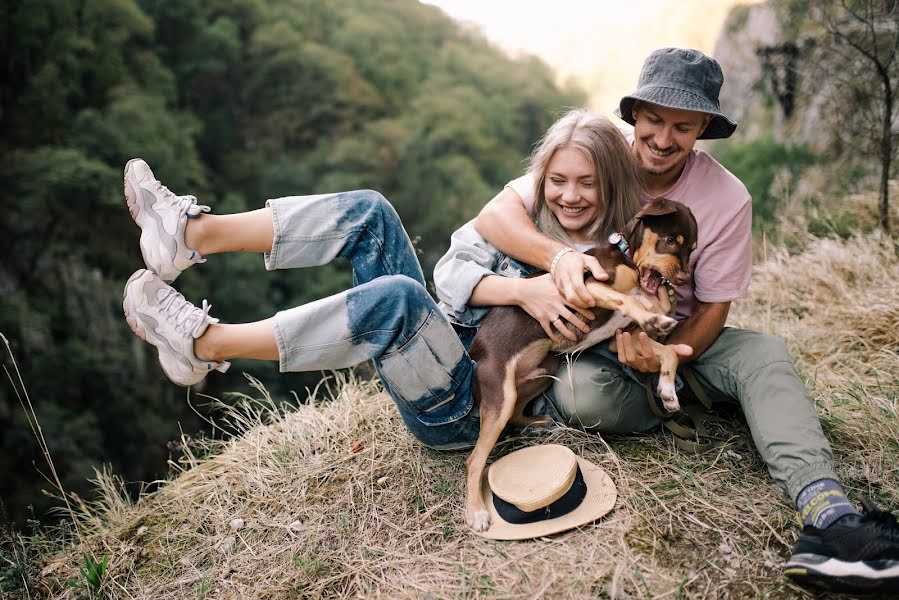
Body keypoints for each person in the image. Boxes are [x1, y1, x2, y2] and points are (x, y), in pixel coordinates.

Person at [472, 48, 899, 593]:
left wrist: (674, 354)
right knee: (580, 396)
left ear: (703, 128)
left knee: (764, 355)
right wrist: (557, 261)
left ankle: (831, 518)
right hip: (591, 345)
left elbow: (716, 307)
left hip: (680, 333)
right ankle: (683, 406)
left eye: (682, 126)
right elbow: (494, 216)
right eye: (653, 120)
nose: (663, 138)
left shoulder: (726, 197)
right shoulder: (594, 160)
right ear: (634, 116)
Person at [120, 110, 638, 459]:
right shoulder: (525, 217)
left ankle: (203, 345)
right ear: (540, 179)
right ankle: (192, 235)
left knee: (400, 301)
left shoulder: (612, 266)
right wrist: (525, 290)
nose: (570, 196)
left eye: (587, 183)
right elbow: (450, 275)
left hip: (465, 407)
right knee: (370, 210)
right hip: (440, 346)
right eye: (558, 180)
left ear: (610, 183)